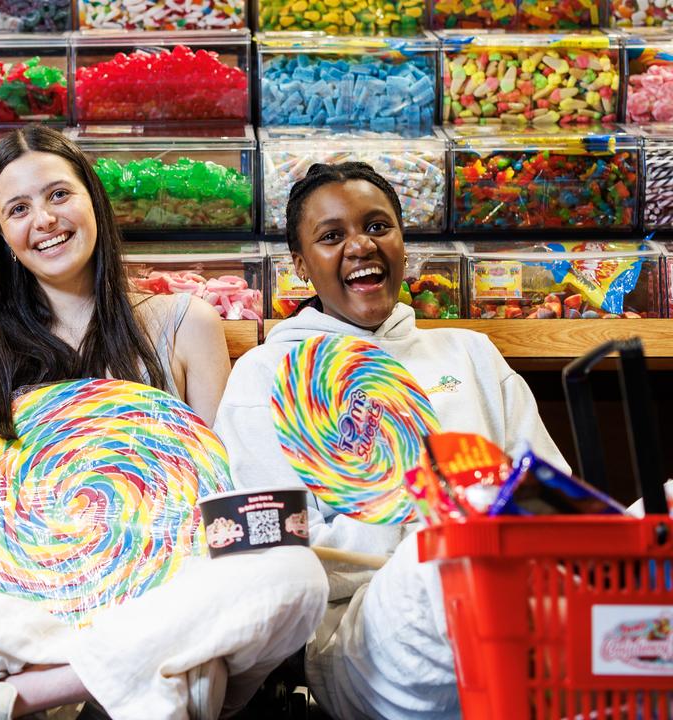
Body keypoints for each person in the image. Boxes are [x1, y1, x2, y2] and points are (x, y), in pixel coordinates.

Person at [0, 125, 328, 720]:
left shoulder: (186, 322)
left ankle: (11, 698)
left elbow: (221, 493)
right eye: (18, 209)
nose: (44, 220)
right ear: (1, 234)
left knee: (295, 575)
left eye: (58, 195)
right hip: (17, 599)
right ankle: (140, 673)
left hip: (160, 591)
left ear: (92, 200)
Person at [214, 162, 569, 719]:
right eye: (331, 237)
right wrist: (416, 527)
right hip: (361, 628)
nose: (360, 245)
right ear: (301, 266)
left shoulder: (468, 354)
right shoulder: (266, 375)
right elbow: (277, 559)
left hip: (523, 600)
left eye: (378, 226)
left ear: (404, 242)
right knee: (446, 562)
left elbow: (554, 495)